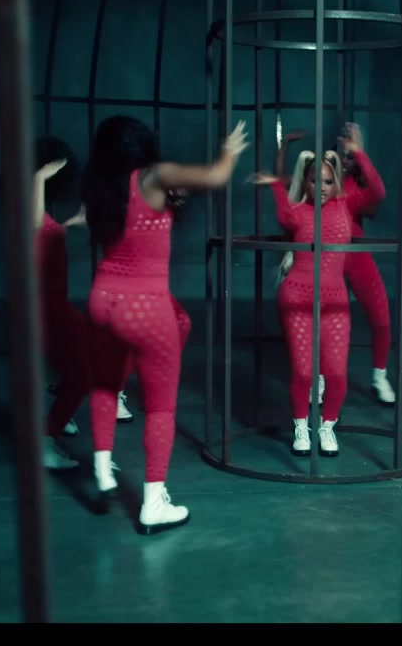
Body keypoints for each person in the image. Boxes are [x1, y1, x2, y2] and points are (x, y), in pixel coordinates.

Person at [82, 115, 248, 534]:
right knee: (160, 407)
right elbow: (217, 175)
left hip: (102, 300)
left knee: (105, 385)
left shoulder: (100, 186)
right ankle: (153, 504)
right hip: (144, 307)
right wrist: (230, 151)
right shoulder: (154, 175)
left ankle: (102, 473)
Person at [250, 123, 386, 457]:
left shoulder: (346, 204)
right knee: (303, 372)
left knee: (337, 374)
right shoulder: (296, 212)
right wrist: (274, 184)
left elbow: (378, 192)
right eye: (315, 181)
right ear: (306, 182)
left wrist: (358, 152)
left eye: (327, 181)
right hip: (297, 298)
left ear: (335, 181)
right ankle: (301, 426)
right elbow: (283, 205)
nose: (321, 187)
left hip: (335, 301)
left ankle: (327, 427)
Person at [14, 137, 128, 470]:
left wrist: (71, 223)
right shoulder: (28, 211)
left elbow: (43, 233)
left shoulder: (40, 215)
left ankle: (57, 416)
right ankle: (45, 438)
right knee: (84, 373)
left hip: (56, 309)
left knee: (93, 361)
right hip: (45, 313)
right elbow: (34, 228)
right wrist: (38, 177)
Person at [275, 125, 395, 405]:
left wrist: (359, 152)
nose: (346, 160)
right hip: (325, 263)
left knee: (381, 317)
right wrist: (284, 147)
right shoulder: (319, 186)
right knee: (319, 325)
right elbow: (283, 182)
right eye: (343, 155)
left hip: (356, 258)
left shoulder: (352, 191)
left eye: (350, 157)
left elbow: (378, 191)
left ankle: (379, 376)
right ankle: (317, 378)